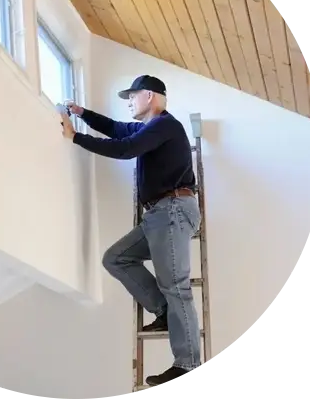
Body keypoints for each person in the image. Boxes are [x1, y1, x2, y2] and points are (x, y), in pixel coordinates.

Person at [60, 75, 202, 388]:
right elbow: (117, 130)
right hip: (159, 216)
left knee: (176, 286)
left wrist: (76, 138)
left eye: (132, 96)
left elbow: (125, 149)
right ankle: (164, 311)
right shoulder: (148, 128)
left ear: (149, 96)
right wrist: (82, 113)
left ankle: (189, 365)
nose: (128, 101)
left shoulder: (165, 126)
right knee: (116, 258)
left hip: (173, 210)